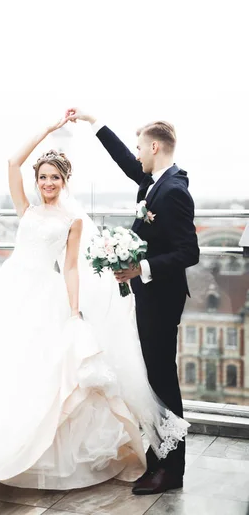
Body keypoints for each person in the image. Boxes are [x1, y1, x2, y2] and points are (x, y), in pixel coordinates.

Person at [0, 115, 188, 490]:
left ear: (65, 182)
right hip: (9, 289)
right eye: (43, 177)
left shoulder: (72, 220)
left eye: (55, 177)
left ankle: (35, 454)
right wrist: (47, 130)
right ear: (37, 180)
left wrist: (75, 309)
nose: (48, 183)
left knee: (42, 371)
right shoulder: (26, 209)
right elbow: (13, 163)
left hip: (46, 294)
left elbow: (70, 269)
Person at [65, 109, 199, 494]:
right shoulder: (156, 181)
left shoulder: (173, 190)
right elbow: (127, 162)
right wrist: (95, 123)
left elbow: (189, 252)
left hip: (161, 299)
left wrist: (142, 267)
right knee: (151, 380)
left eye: (141, 146)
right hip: (150, 296)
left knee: (161, 382)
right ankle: (159, 457)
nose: (137, 153)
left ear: (155, 147)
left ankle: (172, 470)